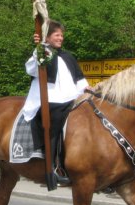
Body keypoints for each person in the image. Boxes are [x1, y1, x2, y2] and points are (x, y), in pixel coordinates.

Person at [22, 20, 92, 183]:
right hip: (50, 98)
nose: (61, 38)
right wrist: (39, 48)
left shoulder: (68, 56)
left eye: (62, 35)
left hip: (72, 97)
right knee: (54, 121)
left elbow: (79, 79)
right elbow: (32, 69)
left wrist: (88, 89)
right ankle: (51, 166)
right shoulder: (44, 53)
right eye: (57, 35)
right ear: (47, 37)